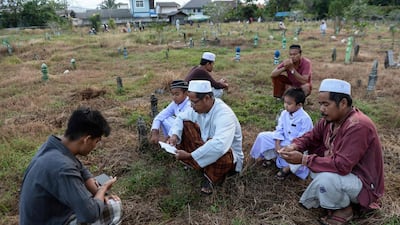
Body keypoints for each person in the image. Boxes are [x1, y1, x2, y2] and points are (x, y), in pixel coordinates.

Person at [278, 79, 384, 225]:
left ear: (343, 103)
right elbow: (311, 136)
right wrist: (294, 146)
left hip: (363, 182)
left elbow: (342, 165)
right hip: (344, 174)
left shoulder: (358, 126)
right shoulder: (330, 120)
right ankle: (336, 197)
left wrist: (303, 159)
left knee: (325, 178)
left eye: (326, 104)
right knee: (316, 165)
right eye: (320, 104)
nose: (321, 109)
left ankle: (345, 209)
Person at [19, 107, 122, 225]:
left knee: (91, 195)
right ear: (87, 139)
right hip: (51, 220)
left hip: (47, 216)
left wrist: (96, 191)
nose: (95, 146)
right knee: (113, 207)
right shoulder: (63, 168)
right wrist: (103, 190)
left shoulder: (54, 145)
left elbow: (81, 169)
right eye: (96, 141)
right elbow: (90, 214)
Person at [167, 80, 244, 195]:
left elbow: (220, 145)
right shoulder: (198, 108)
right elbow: (181, 117)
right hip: (206, 144)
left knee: (222, 152)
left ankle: (210, 177)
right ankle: (199, 163)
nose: (191, 107)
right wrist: (174, 136)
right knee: (186, 124)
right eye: (190, 102)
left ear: (207, 98)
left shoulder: (224, 114)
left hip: (228, 155)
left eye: (194, 102)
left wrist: (190, 155)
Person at [250, 88, 313, 180]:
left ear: (299, 105)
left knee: (300, 155)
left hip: (295, 145)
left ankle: (286, 168)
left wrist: (290, 147)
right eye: (285, 102)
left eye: (289, 104)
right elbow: (279, 129)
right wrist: (277, 143)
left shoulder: (305, 119)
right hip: (283, 139)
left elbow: (303, 139)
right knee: (262, 136)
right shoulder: (284, 113)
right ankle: (264, 157)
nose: (286, 106)